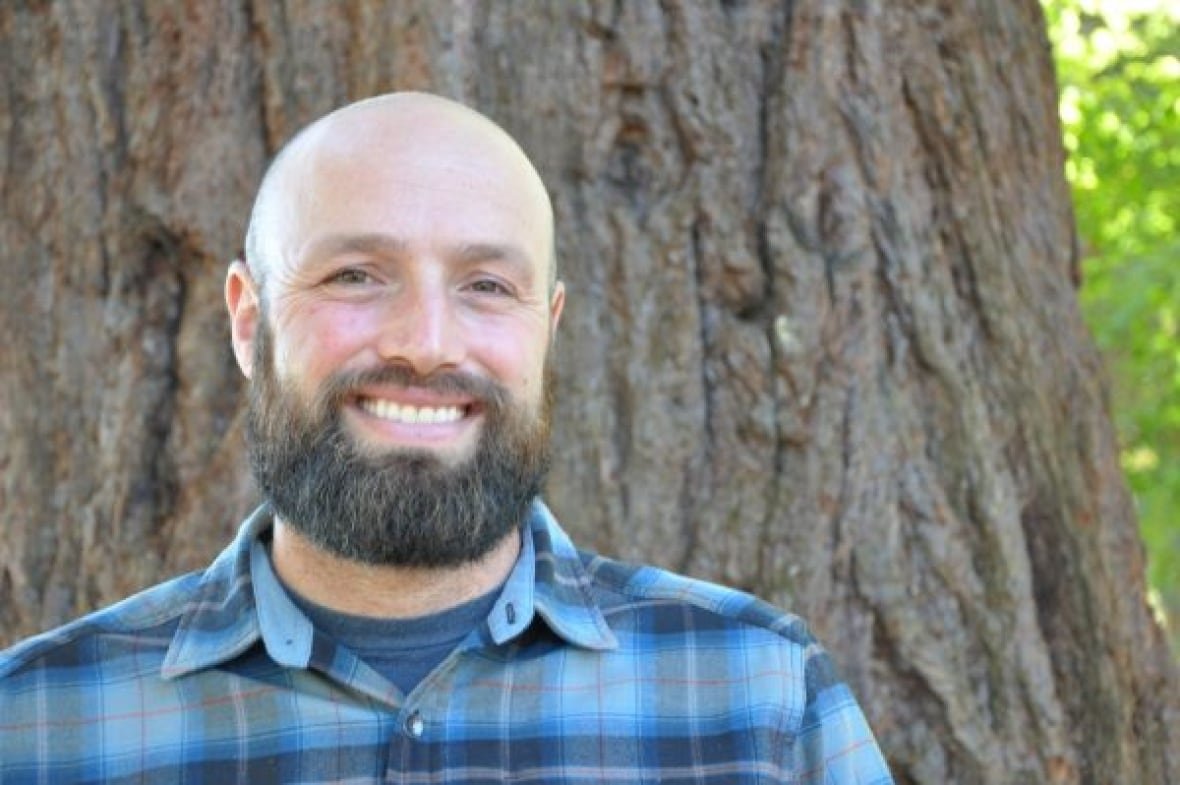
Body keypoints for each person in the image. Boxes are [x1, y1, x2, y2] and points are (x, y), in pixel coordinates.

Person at [0, 92, 893, 784]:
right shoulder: (37, 729)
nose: (425, 342)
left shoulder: (763, 704)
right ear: (248, 320)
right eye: (355, 274)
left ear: (546, 327)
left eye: (486, 286)